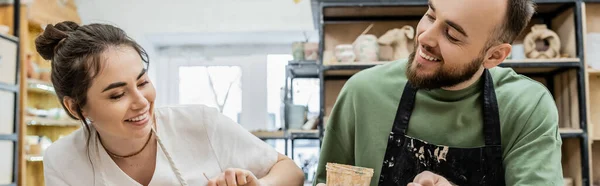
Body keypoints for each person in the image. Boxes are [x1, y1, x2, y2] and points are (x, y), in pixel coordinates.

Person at [314, 0, 563, 185]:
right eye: (431, 15)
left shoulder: (526, 107)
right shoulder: (362, 93)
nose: (425, 37)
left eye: (452, 35)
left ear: (494, 55)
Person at [37, 21, 304, 186]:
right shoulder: (63, 160)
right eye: (117, 95)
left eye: (142, 83)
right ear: (76, 107)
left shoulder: (200, 123)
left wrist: (261, 184)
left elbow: (292, 172)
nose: (141, 102)